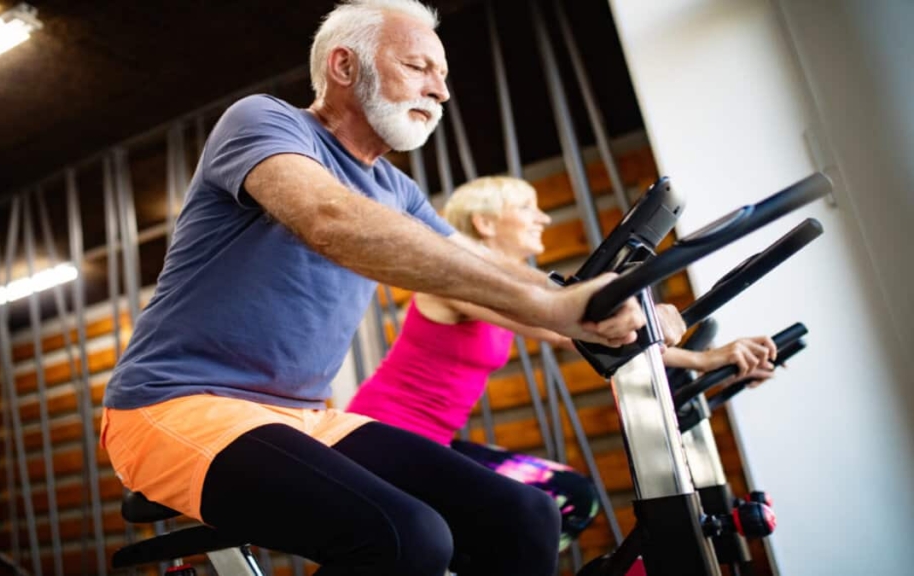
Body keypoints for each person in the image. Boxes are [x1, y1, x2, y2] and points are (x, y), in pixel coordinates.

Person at [99, 2, 651, 575]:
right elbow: (328, 219)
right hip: (175, 404)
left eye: (443, 76)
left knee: (525, 515)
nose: (440, 92)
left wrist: (604, 305)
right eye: (418, 67)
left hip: (307, 417)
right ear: (344, 65)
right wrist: (550, 303)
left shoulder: (397, 188)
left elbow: (479, 263)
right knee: (407, 537)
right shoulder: (265, 121)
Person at [345, 176, 778, 552]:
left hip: (433, 439)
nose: (544, 218)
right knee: (565, 499)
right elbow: (568, 331)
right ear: (485, 223)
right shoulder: (454, 279)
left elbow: (588, 334)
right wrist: (703, 359)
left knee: (551, 506)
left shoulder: (506, 285)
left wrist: (703, 359)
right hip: (383, 434)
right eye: (526, 208)